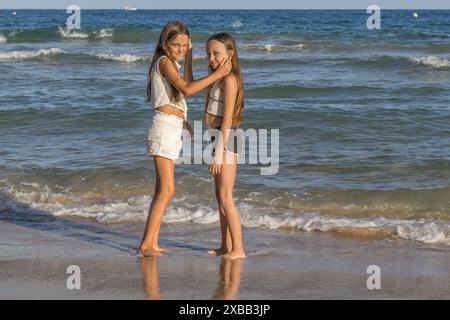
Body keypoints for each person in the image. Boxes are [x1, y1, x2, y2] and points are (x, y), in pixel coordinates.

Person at [137, 21, 231, 257]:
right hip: (163, 128)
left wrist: (188, 58)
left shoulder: (174, 63)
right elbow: (188, 89)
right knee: (167, 190)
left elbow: (183, 85)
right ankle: (146, 244)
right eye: (176, 45)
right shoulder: (164, 62)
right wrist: (219, 74)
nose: (180, 49)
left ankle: (152, 242)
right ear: (165, 44)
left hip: (171, 127)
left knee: (162, 190)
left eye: (184, 45)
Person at [204, 32, 246, 260]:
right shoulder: (217, 78)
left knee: (226, 196)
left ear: (230, 54)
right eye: (208, 54)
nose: (211, 58)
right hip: (215, 137)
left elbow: (228, 120)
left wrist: (218, 154)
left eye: (216, 54)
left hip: (226, 139)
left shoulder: (230, 80)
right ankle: (225, 245)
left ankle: (238, 249)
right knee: (219, 197)